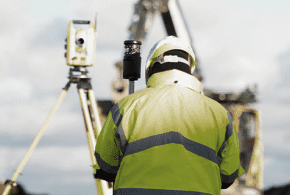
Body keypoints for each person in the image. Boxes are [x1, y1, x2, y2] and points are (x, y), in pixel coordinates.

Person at [93, 36, 245, 195]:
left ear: (150, 67)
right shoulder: (220, 115)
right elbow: (228, 175)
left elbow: (105, 164)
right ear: (190, 69)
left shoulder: (126, 107)